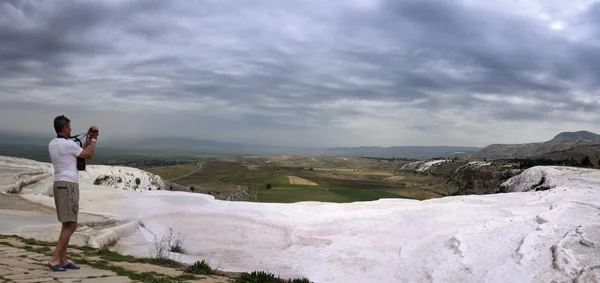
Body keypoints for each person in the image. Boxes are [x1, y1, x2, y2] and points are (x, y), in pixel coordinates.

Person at [47, 115, 98, 272]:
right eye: (69, 127)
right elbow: (88, 155)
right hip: (68, 186)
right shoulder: (68, 145)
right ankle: (55, 259)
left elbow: (78, 150)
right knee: (73, 225)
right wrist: (94, 140)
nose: (71, 130)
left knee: (66, 224)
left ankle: (63, 259)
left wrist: (87, 141)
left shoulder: (53, 144)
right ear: (64, 128)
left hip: (60, 185)